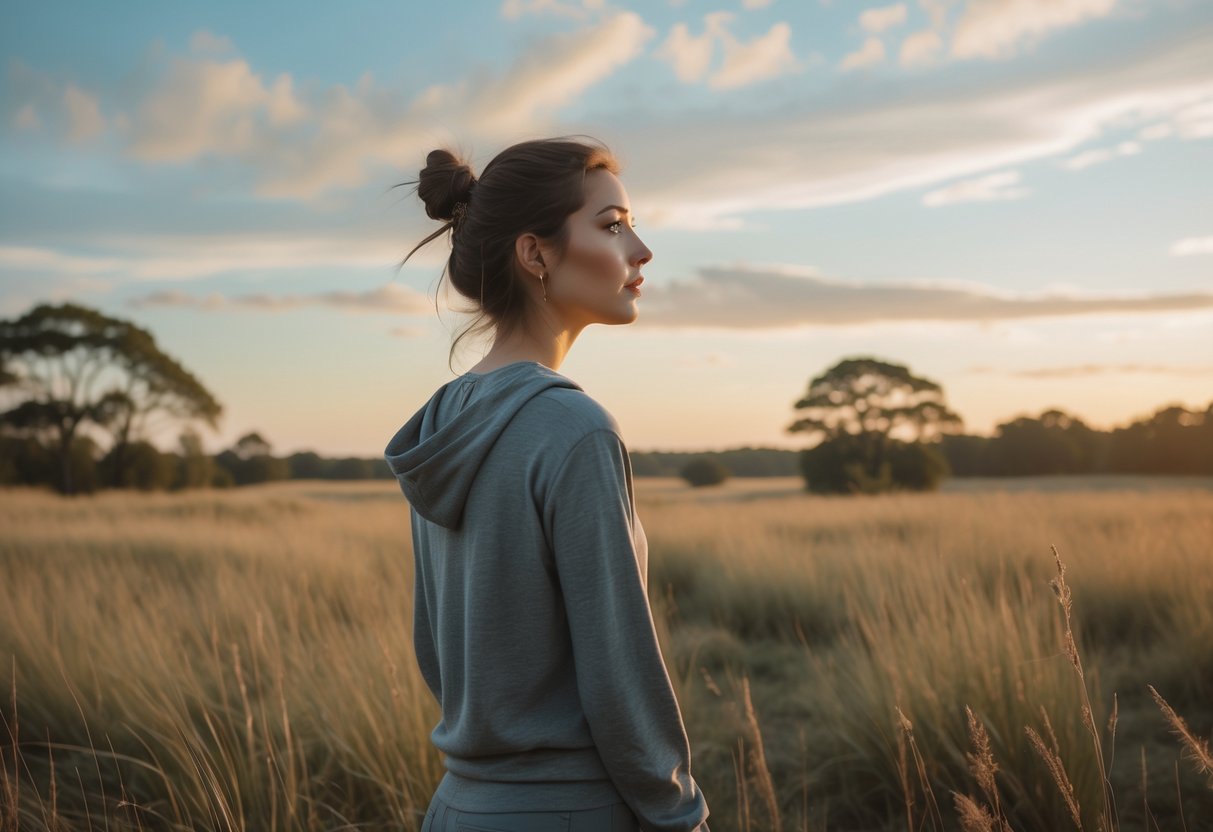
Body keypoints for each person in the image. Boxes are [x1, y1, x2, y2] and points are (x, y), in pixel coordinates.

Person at [384, 137, 711, 832]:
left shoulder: (443, 420)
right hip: (569, 811)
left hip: (458, 808)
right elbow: (619, 677)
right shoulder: (574, 427)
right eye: (612, 225)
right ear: (534, 254)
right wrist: (681, 816)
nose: (641, 250)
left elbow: (441, 654)